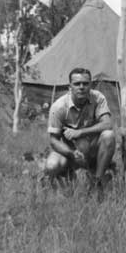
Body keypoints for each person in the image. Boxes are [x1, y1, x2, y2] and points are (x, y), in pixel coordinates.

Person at [44, 67, 116, 199]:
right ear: (69, 86)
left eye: (85, 83)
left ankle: (97, 182)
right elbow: (53, 141)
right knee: (51, 165)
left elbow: (108, 124)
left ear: (91, 85)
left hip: (92, 148)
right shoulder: (58, 107)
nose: (81, 87)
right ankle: (55, 185)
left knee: (109, 136)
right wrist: (71, 153)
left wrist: (80, 132)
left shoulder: (98, 98)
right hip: (69, 150)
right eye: (77, 84)